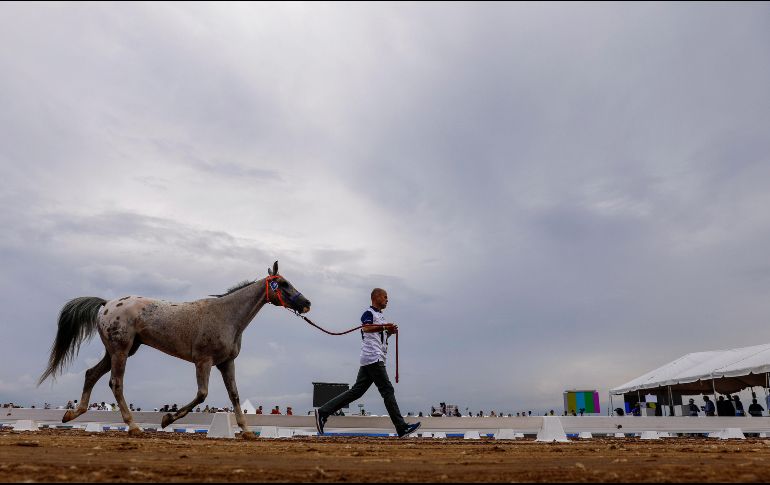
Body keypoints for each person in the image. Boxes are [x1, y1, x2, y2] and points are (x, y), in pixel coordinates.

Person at [314, 288, 421, 438]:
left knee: (357, 391)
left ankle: (323, 412)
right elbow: (366, 328)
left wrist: (389, 332)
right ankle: (401, 427)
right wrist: (385, 327)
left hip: (372, 358)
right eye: (385, 297)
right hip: (373, 357)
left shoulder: (381, 317)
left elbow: (378, 336)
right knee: (387, 390)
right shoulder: (368, 313)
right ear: (376, 297)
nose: (387, 300)